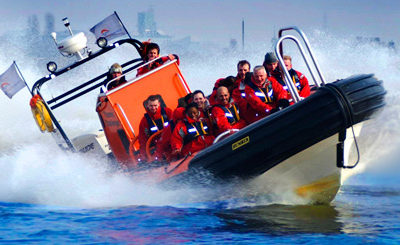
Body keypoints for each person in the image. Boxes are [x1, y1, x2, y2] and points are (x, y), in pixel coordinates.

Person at [138, 95, 173, 160]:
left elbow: (176, 126)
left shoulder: (168, 112)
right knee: (156, 157)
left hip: (172, 141)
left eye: (155, 105)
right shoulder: (144, 121)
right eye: (151, 106)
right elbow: (143, 140)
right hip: (159, 146)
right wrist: (142, 156)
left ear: (159, 104)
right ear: (147, 106)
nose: (153, 108)